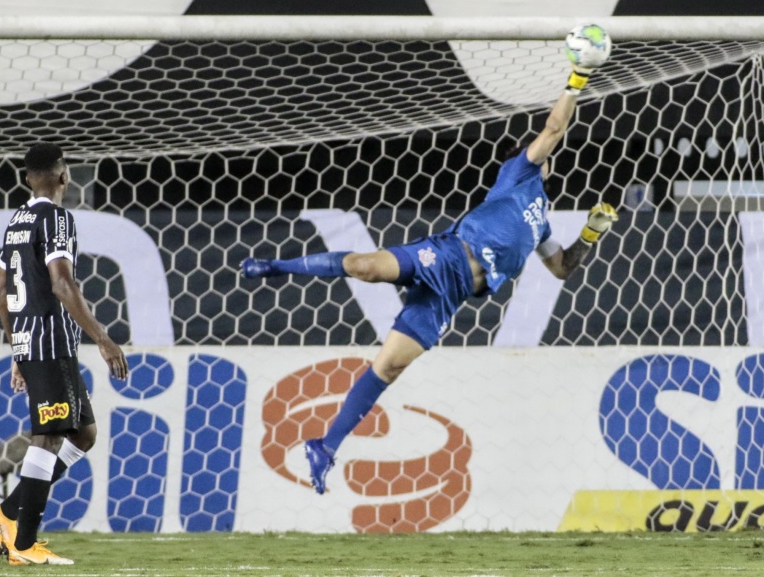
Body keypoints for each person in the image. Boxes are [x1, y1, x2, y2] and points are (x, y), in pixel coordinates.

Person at [241, 53, 618, 495]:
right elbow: (555, 128)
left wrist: (591, 233)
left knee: (390, 365)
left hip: (450, 296)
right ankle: (276, 267)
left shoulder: (541, 224)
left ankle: (325, 445)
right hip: (446, 257)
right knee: (366, 267)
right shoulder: (520, 173)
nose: (547, 151)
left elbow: (561, 269)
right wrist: (577, 79)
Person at [0, 142, 129, 564]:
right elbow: (62, 285)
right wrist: (102, 337)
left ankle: (5, 514)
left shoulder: (16, 222)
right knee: (47, 438)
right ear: (65, 177)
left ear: (28, 178)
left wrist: (16, 348)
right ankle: (22, 546)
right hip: (49, 340)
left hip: (35, 340)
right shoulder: (56, 218)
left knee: (83, 433)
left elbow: (1, 292)